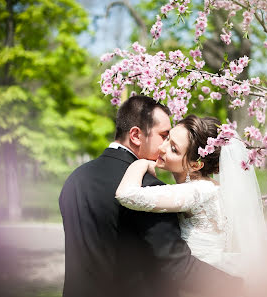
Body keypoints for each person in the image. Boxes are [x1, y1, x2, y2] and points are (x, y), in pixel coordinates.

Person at [59, 96, 244, 297]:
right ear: (136, 135)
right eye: (164, 136)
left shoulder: (75, 179)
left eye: (171, 143)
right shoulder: (149, 187)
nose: (164, 146)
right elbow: (177, 265)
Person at [116, 114, 267, 287]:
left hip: (201, 283)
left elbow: (126, 195)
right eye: (167, 138)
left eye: (174, 149)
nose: (162, 147)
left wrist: (140, 164)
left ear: (195, 165)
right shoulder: (211, 187)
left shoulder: (197, 191)